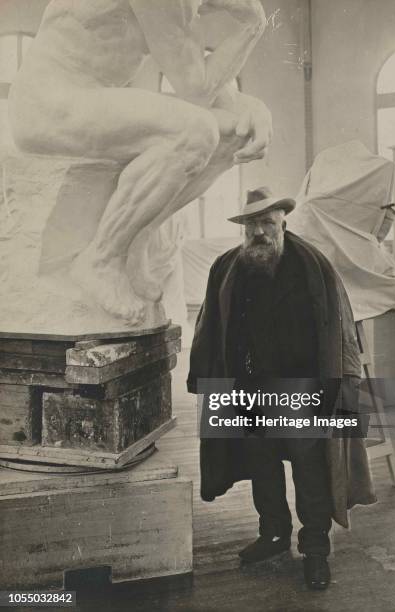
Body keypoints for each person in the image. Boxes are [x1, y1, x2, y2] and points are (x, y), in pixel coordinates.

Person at [8, 0, 272, 325]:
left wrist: (250, 108)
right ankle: (102, 258)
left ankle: (136, 239)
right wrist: (252, 24)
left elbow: (204, 76)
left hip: (85, 100)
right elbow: (197, 87)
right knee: (197, 131)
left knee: (234, 134)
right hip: (48, 103)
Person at [187, 186, 376, 590]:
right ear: (244, 228)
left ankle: (315, 549)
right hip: (248, 391)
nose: (259, 232)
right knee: (261, 465)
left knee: (310, 473)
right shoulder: (226, 268)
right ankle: (273, 534)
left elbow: (342, 331)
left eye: (267, 223)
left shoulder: (313, 266)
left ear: (282, 223)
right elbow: (209, 326)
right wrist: (204, 379)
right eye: (252, 224)